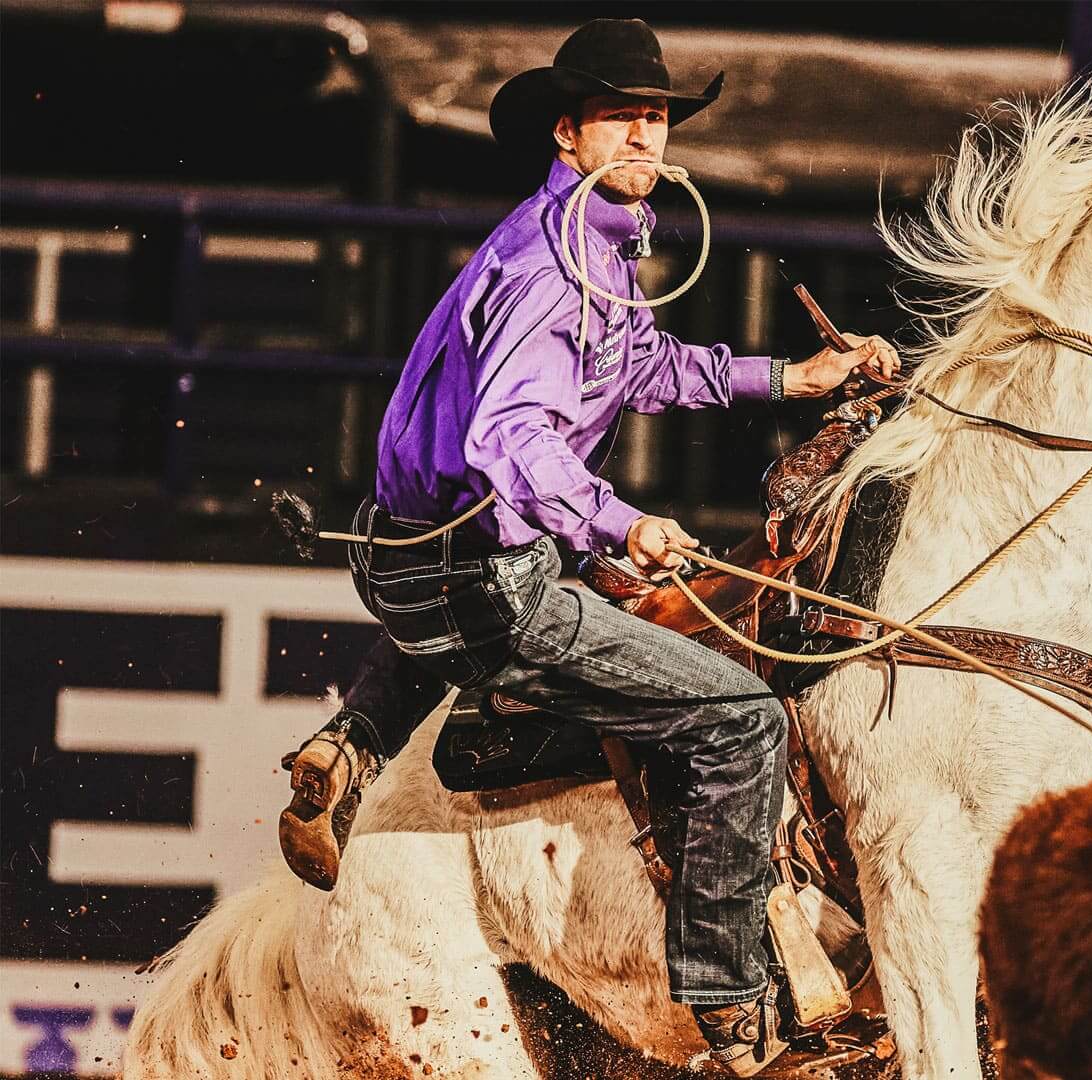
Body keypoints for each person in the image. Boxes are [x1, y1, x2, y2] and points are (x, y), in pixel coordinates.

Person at [275, 19, 898, 1075]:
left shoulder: (574, 242)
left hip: (421, 555)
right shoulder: (552, 272)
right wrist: (624, 520)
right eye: (624, 117)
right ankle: (737, 1012)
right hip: (485, 576)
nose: (647, 136)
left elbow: (641, 367)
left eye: (656, 117)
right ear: (570, 134)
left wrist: (791, 381)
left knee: (575, 590)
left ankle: (356, 737)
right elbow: (510, 437)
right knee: (740, 717)